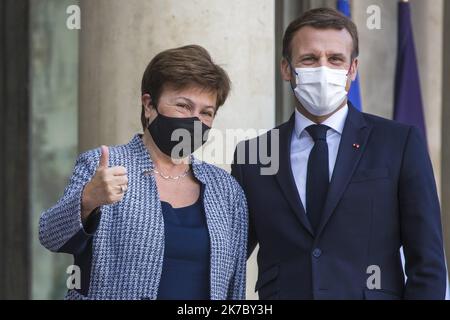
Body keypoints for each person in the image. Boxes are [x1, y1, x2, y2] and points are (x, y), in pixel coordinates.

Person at [232, 8, 446, 300]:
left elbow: (428, 264)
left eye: (335, 59)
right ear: (286, 69)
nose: (323, 69)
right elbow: (227, 258)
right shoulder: (253, 155)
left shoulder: (399, 143)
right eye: (309, 58)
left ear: (353, 69)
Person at [39, 45, 247, 300]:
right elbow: (50, 236)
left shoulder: (226, 190)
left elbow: (235, 288)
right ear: (149, 105)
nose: (194, 121)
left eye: (206, 113)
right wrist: (87, 200)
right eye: (183, 105)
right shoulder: (103, 165)